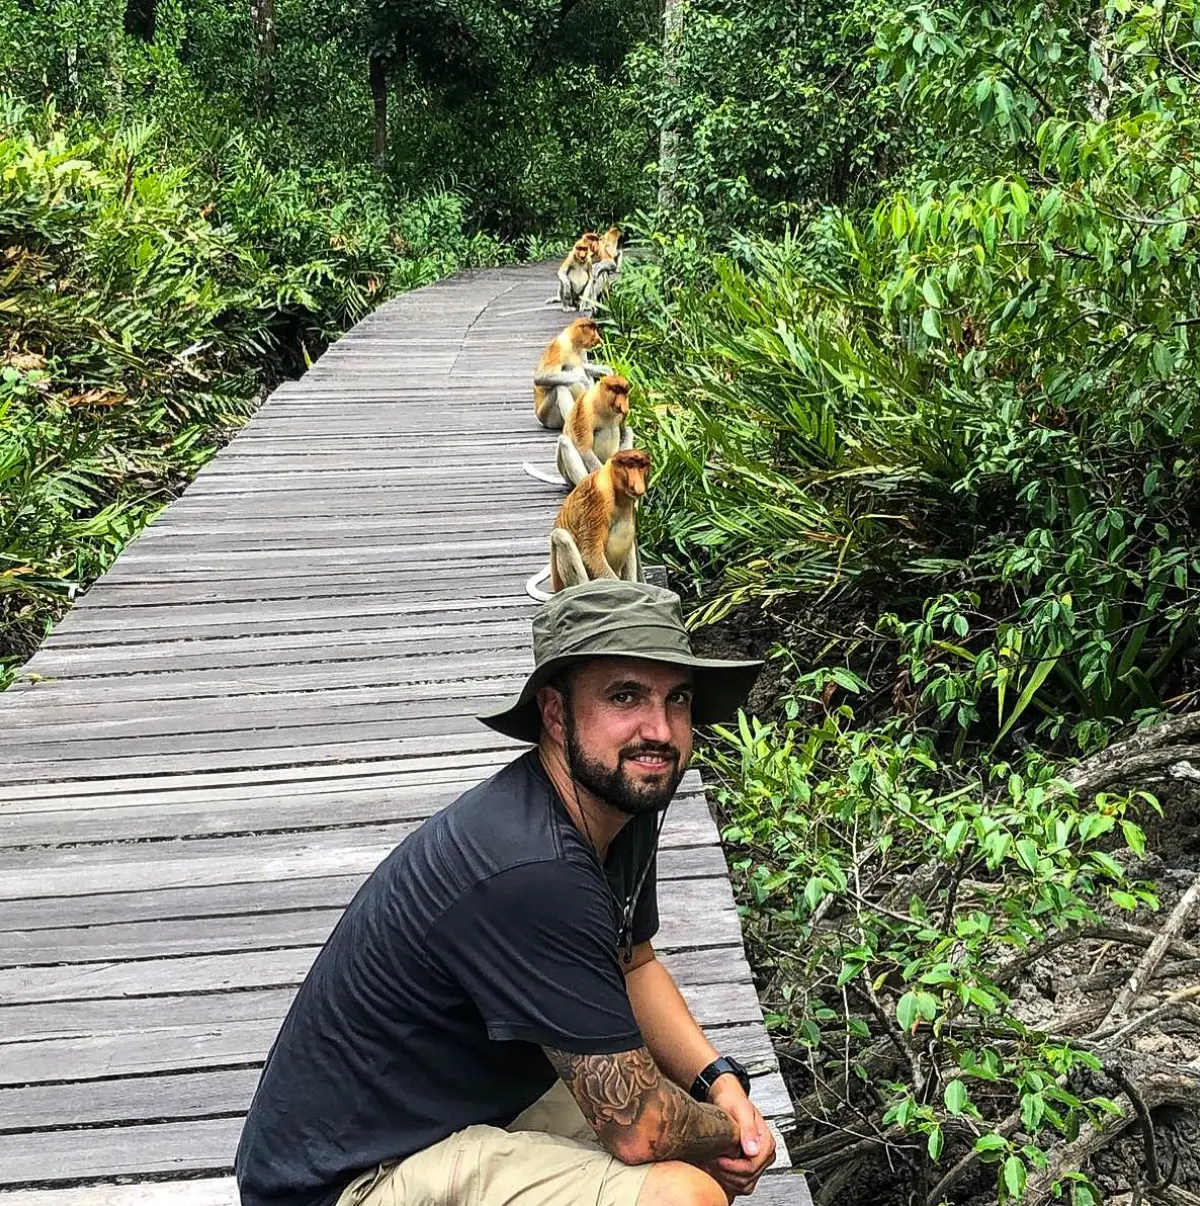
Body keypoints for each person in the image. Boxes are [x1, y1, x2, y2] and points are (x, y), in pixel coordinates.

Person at [235, 579, 777, 1206]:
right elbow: (640, 1129)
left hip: (456, 1108)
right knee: (682, 1194)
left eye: (676, 699)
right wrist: (731, 1133)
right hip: (345, 1182)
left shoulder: (614, 803)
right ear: (555, 713)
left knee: (686, 1131)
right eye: (624, 696)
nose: (658, 729)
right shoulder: (533, 866)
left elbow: (634, 963)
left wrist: (718, 1083)